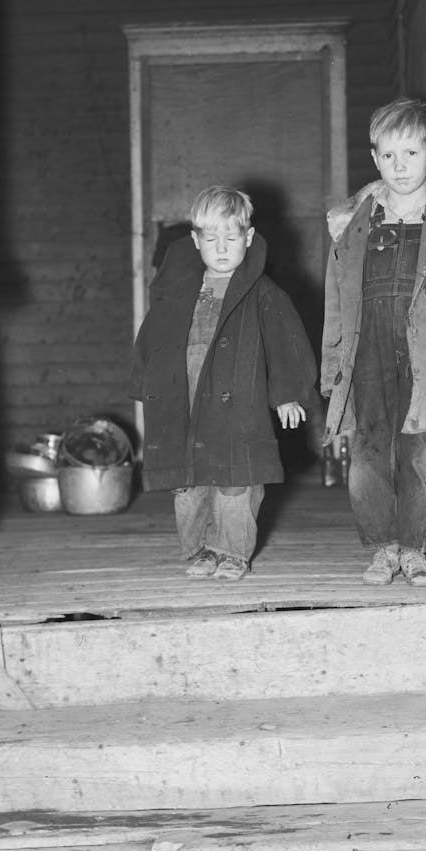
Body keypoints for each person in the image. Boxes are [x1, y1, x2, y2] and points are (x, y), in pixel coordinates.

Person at [320, 97, 426, 587]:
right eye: (389, 156)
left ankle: (415, 548)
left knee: (419, 452)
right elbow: (336, 297)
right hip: (367, 345)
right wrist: (333, 361)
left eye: (411, 154)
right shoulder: (350, 220)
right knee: (370, 450)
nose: (400, 167)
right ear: (375, 158)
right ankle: (382, 548)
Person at [130, 185, 318, 581]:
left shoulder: (264, 294)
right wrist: (143, 387)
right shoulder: (176, 293)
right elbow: (151, 341)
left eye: (231, 237)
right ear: (195, 241)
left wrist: (286, 395)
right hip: (185, 404)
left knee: (237, 484)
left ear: (248, 238)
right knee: (190, 484)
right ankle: (197, 549)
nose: (221, 248)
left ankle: (231, 552)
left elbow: (287, 345)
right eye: (211, 238)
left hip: (238, 407)